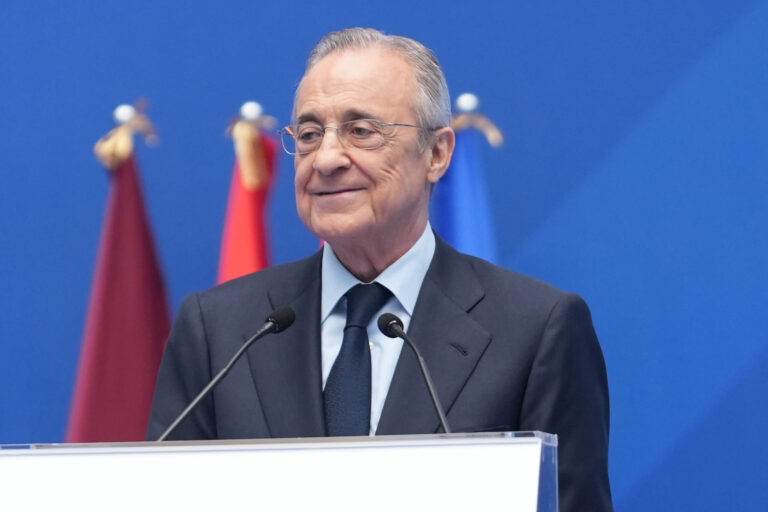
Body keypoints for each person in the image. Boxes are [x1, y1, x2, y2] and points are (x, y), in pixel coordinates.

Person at [147, 28, 613, 512]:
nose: (326, 159)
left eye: (361, 131)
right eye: (308, 134)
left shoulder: (537, 330)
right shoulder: (220, 329)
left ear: (437, 153)